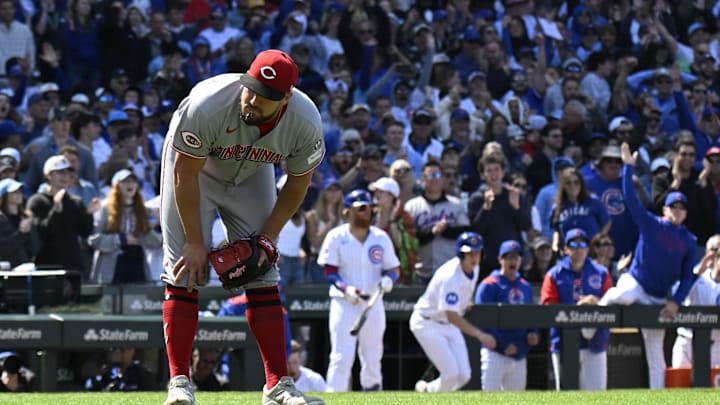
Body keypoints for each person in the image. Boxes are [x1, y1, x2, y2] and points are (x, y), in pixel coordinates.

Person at [159, 49, 325, 405]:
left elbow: (297, 184)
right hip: (195, 174)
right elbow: (183, 174)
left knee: (264, 270)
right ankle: (179, 383)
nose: (251, 99)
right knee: (184, 271)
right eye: (250, 88)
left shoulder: (304, 122)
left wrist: (268, 237)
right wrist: (194, 241)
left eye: (263, 97)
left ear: (285, 100)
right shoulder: (208, 102)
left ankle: (278, 385)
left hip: (251, 173)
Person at [598, 143, 697, 389]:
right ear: (665, 209)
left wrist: (677, 300)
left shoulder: (690, 241)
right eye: (673, 206)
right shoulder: (652, 223)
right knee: (621, 294)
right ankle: (591, 321)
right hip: (637, 282)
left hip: (658, 297)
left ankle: (657, 399)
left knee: (656, 356)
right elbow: (630, 200)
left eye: (681, 207)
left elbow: (687, 276)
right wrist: (627, 169)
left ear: (685, 213)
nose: (677, 210)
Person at [318, 189, 400, 392]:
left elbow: (393, 268)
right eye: (361, 208)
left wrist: (389, 279)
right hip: (345, 302)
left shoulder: (381, 237)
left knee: (373, 355)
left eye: (369, 208)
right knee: (341, 356)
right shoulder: (336, 236)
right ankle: (335, 396)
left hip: (373, 302)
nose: (366, 212)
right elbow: (329, 270)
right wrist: (345, 288)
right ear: (348, 212)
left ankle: (371, 395)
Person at [410, 232, 496, 393]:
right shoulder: (450, 275)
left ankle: (427, 391)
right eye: (469, 253)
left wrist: (463, 303)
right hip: (427, 322)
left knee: (464, 376)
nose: (473, 257)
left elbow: (462, 295)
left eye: (477, 252)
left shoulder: (475, 269)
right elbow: (452, 315)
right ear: (460, 253)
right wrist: (480, 335)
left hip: (447, 324)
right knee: (451, 374)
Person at [540, 228, 613, 390]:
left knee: (595, 398)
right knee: (567, 396)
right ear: (566, 249)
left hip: (595, 341)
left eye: (583, 244)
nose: (579, 249)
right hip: (563, 342)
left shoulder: (601, 273)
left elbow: (612, 303)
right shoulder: (554, 275)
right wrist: (576, 309)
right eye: (573, 244)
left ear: (588, 249)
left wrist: (596, 301)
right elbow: (547, 308)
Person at [475, 240, 539, 391]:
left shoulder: (525, 286)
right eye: (508, 257)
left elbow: (532, 317)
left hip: (519, 353)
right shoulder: (489, 285)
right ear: (500, 259)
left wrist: (533, 333)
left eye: (516, 257)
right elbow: (484, 321)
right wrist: (502, 345)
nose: (513, 261)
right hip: (494, 353)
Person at [88, 169, 163, 284]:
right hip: (111, 270)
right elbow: (94, 239)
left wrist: (162, 223)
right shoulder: (105, 209)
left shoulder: (140, 210)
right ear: (116, 186)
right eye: (125, 182)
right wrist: (122, 239)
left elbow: (150, 240)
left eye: (133, 181)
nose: (130, 185)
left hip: (137, 266)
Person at [27, 155, 98, 274]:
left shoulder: (75, 202)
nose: (65, 176)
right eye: (60, 172)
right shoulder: (37, 201)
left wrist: (88, 214)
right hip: (46, 266)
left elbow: (85, 232)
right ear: (48, 175)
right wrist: (56, 211)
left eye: (68, 173)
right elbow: (40, 233)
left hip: (72, 266)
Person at [671, 234, 720, 369]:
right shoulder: (695, 274)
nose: (718, 255)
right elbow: (676, 293)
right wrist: (700, 270)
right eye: (715, 250)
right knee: (679, 388)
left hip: (715, 346)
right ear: (707, 252)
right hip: (687, 341)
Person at [550, 167, 610, 251]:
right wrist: (555, 244)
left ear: (581, 184)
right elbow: (556, 229)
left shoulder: (593, 201)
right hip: (569, 251)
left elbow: (607, 222)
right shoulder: (558, 207)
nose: (572, 186)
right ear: (563, 186)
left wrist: (599, 239)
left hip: (591, 250)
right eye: (568, 183)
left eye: (576, 182)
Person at [0, 178, 38, 267]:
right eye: (14, 192)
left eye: (20, 191)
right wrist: (21, 233)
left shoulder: (25, 217)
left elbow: (36, 248)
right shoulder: (1, 219)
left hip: (26, 268)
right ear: (4, 196)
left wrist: (29, 232)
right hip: (6, 272)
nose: (19, 194)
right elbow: (2, 248)